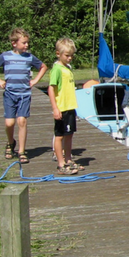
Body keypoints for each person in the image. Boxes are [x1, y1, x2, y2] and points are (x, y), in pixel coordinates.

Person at [0, 28, 47, 164]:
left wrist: (35, 81)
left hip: (24, 94)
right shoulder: (5, 56)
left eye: (27, 43)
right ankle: (10, 142)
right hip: (10, 94)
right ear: (14, 43)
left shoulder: (29, 57)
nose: (26, 45)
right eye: (24, 43)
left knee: (22, 121)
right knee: (9, 122)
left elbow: (43, 67)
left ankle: (22, 151)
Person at [48, 38, 80, 175]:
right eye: (67, 55)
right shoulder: (57, 70)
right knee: (59, 135)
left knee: (69, 135)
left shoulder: (67, 69)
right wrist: (55, 108)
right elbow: (51, 88)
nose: (70, 58)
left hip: (70, 107)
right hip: (61, 108)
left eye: (71, 55)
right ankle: (61, 164)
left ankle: (68, 159)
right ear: (58, 54)